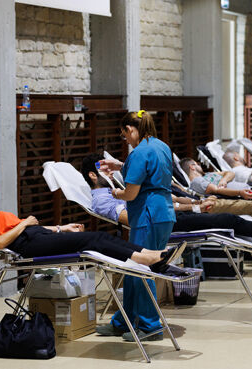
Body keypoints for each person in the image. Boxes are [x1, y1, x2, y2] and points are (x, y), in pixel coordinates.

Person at [81, 153, 252, 254]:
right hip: (162, 224)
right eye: (104, 169)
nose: (110, 171)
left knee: (233, 218)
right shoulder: (102, 197)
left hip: (170, 215)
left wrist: (185, 204)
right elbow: (130, 219)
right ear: (93, 175)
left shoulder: (120, 189)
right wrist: (189, 207)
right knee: (229, 221)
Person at [0, 185, 183, 272]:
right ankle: (144, 258)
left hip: (35, 236)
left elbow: (28, 228)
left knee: (98, 236)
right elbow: (0, 243)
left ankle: (148, 255)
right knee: (92, 241)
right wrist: (24, 222)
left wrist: (62, 228)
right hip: (28, 245)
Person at [95, 110, 176, 342]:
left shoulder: (139, 152)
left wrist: (115, 192)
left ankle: (150, 326)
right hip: (162, 213)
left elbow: (130, 193)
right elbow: (151, 171)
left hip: (147, 216)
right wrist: (121, 165)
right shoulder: (160, 146)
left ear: (131, 130)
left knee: (141, 270)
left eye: (125, 136)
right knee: (133, 269)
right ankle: (124, 322)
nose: (126, 140)